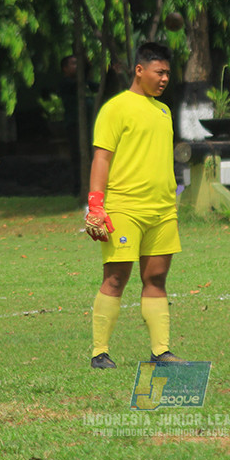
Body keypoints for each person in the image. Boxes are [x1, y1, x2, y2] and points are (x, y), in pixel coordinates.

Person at [85, 42, 185, 369]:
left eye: (168, 73)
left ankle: (161, 352)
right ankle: (100, 353)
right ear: (139, 71)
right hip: (125, 209)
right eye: (160, 72)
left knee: (156, 278)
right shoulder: (117, 108)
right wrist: (96, 205)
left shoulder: (164, 111)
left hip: (162, 211)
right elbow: (102, 158)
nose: (165, 78)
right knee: (116, 278)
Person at [58, 55, 97, 194]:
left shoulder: (84, 82)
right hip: (74, 124)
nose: (77, 67)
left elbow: (98, 87)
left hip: (89, 125)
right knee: (78, 156)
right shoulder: (66, 83)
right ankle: (78, 188)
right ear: (65, 68)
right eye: (74, 64)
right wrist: (86, 66)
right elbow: (79, 83)